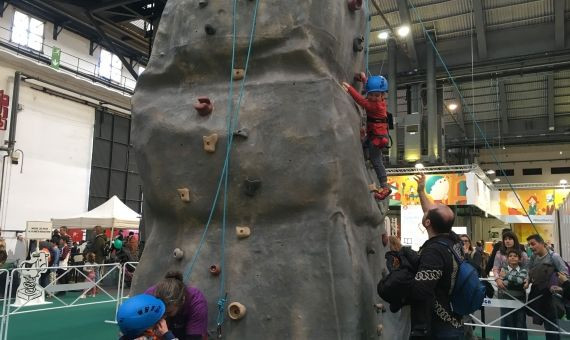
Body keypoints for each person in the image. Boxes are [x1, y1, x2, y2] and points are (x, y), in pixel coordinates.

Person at [407, 173, 463, 339]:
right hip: (455, 319)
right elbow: (430, 213)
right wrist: (421, 191)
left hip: (438, 326)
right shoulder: (454, 241)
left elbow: (420, 290)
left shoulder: (434, 251)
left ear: (428, 223)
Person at [342, 74, 391, 200]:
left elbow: (361, 100)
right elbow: (369, 92)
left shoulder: (375, 105)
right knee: (363, 147)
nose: (374, 98)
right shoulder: (380, 100)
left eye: (377, 96)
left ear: (382, 96)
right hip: (374, 134)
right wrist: (364, 80)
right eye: (372, 95)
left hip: (378, 138)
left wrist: (349, 89)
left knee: (376, 160)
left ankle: (384, 185)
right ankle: (366, 166)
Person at [526, 234, 568, 340]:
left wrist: (558, 286)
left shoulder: (554, 256)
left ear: (542, 244)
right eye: (529, 245)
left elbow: (565, 274)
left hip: (552, 297)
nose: (531, 247)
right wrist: (527, 280)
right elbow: (528, 271)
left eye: (533, 244)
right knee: (546, 324)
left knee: (552, 324)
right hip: (538, 295)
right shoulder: (533, 257)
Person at [145, 271, 208, 340]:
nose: (163, 317)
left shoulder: (196, 302)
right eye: (160, 311)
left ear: (182, 300)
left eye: (168, 312)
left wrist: (167, 335)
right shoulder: (150, 296)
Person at [498, 249, 528, 340]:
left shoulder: (523, 269)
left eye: (515, 256)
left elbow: (520, 281)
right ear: (507, 259)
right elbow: (505, 283)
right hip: (507, 301)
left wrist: (507, 276)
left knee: (520, 324)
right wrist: (515, 281)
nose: (512, 258)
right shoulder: (504, 268)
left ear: (519, 259)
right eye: (510, 256)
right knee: (510, 325)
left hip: (520, 301)